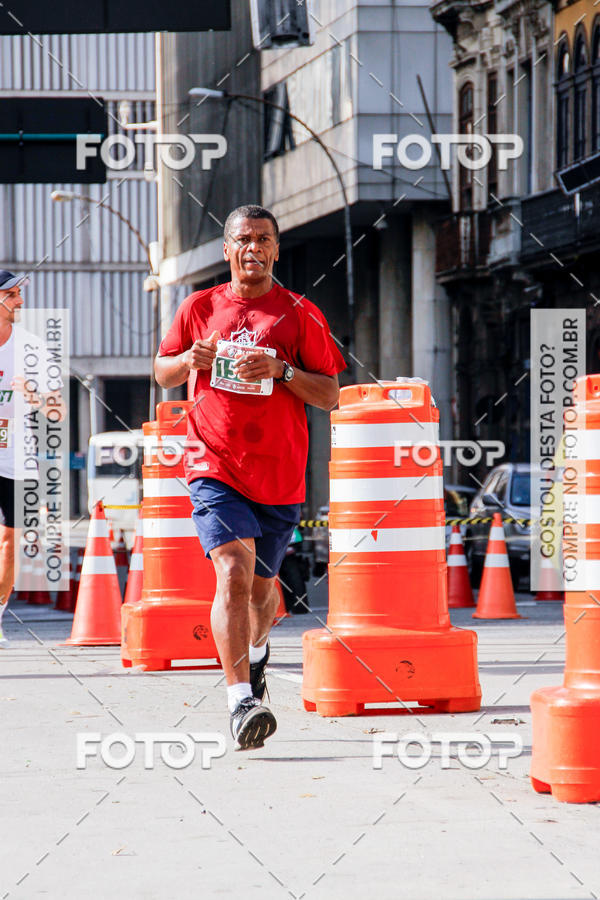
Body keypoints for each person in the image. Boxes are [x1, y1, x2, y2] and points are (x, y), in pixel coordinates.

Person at [155, 205, 346, 749]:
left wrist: (282, 372)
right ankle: (241, 702)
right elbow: (162, 370)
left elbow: (330, 394)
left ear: (276, 250)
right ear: (227, 249)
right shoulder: (199, 307)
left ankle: (257, 654)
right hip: (212, 464)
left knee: (264, 596)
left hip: (279, 474)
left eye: (264, 239)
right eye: (244, 239)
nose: (253, 248)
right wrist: (190, 360)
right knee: (233, 573)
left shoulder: (299, 314)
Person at [0, 271, 67, 646]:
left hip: (17, 457)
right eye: (12, 294)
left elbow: (58, 412)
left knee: (10, 542)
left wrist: (32, 394)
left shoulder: (32, 348)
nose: (20, 301)